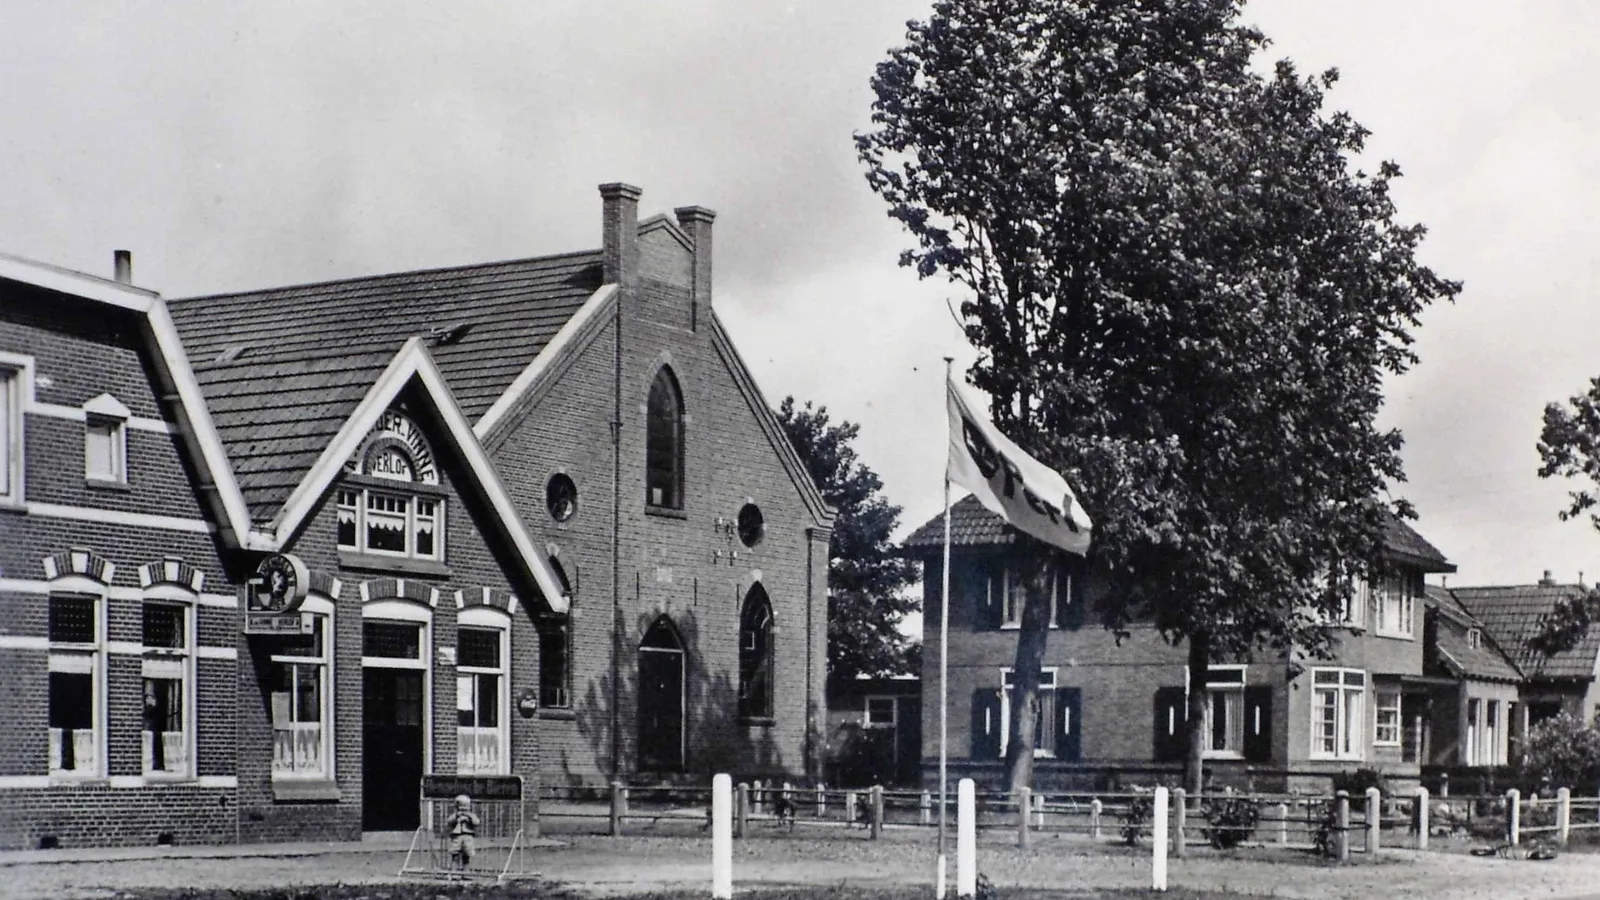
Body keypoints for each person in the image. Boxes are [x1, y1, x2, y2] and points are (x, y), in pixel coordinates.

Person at [446, 794, 480, 869]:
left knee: (467, 855)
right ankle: (454, 872)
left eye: (465, 806)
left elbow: (476, 822)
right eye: (461, 806)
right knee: (455, 854)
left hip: (468, 836)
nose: (463, 809)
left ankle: (466, 873)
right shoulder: (455, 815)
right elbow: (449, 821)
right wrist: (457, 816)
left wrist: (469, 817)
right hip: (456, 836)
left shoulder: (471, 815)